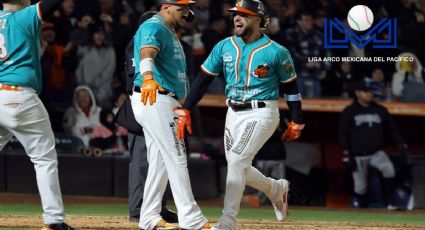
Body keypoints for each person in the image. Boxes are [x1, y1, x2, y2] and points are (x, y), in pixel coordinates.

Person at [174, 1, 305, 229]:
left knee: (236, 160)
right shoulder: (224, 46)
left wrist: (297, 120)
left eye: (244, 15)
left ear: (259, 20)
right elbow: (203, 79)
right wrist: (186, 108)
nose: (237, 18)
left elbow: (291, 89)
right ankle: (276, 189)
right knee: (238, 164)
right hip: (232, 111)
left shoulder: (276, 51)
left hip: (262, 112)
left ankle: (227, 222)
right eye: (235, 14)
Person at [130, 1, 211, 229]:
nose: (187, 12)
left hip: (166, 100)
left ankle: (148, 217)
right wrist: (147, 78)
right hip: (154, 97)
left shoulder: (170, 31)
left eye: (188, 8)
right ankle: (192, 219)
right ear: (167, 7)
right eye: (182, 8)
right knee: (177, 157)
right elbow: (147, 53)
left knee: (160, 163)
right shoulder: (153, 26)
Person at [0, 0, 75, 229]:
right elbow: (52, 4)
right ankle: (53, 220)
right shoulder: (23, 16)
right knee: (44, 159)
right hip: (20, 97)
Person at [115, 10, 178, 223]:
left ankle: (159, 207)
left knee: (161, 158)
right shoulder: (137, 44)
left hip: (155, 101)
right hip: (142, 101)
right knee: (142, 161)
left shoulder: (157, 41)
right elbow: (136, 76)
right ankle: (138, 209)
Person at [339, 81, 408, 209]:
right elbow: (343, 133)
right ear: (358, 93)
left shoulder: (380, 110)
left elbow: (393, 129)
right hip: (358, 154)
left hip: (377, 152)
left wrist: (401, 144)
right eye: (366, 91)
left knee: (389, 170)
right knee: (360, 187)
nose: (370, 94)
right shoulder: (349, 111)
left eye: (371, 91)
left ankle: (389, 203)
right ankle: (362, 209)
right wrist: (346, 153)